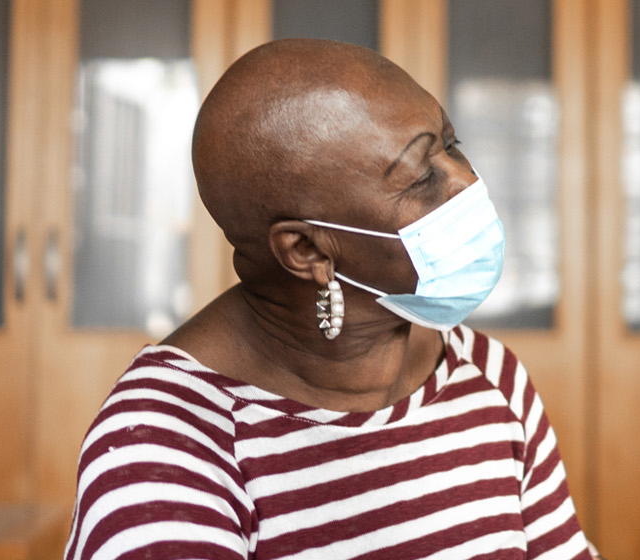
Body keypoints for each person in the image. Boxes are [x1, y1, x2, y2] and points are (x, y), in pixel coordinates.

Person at [63, 39, 592, 560]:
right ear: (308, 249)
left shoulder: (487, 375)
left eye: (452, 146)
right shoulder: (165, 446)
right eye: (423, 177)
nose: (468, 182)